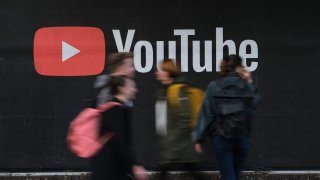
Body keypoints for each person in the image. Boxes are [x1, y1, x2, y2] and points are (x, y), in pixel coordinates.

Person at [192, 54, 261, 180]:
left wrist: (198, 138)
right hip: (242, 137)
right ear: (240, 68)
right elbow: (256, 103)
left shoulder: (214, 86)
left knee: (228, 175)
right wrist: (249, 81)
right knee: (235, 174)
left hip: (221, 137)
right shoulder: (245, 86)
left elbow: (206, 113)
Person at [91, 76, 148, 180]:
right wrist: (134, 166)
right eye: (132, 87)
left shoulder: (118, 108)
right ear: (122, 88)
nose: (136, 90)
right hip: (108, 169)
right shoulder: (115, 110)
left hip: (111, 167)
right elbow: (121, 142)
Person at [155, 59, 203, 180]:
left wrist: (173, 140)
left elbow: (186, 118)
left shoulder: (178, 90)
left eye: (160, 70)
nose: (156, 73)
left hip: (181, 144)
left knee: (163, 172)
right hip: (174, 144)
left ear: (168, 72)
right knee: (194, 172)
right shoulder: (163, 91)